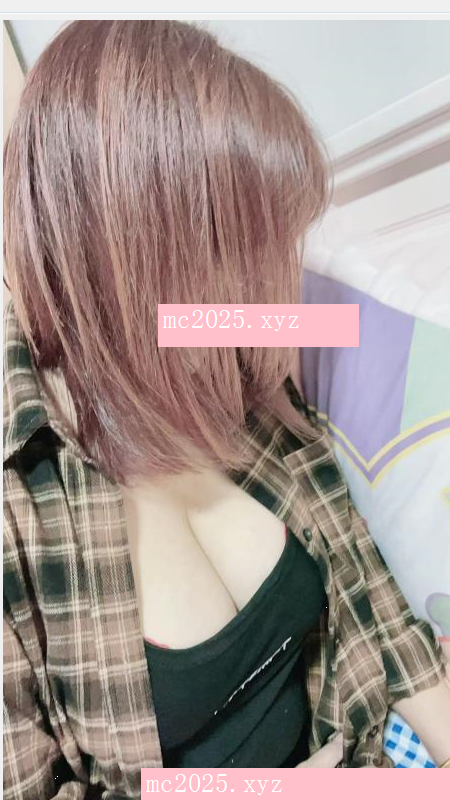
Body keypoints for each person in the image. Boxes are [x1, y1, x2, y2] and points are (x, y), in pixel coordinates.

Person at [3, 19, 450, 800]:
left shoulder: (239, 372)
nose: (279, 288)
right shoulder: (21, 504)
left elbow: (375, 604)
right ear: (137, 255)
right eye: (250, 254)